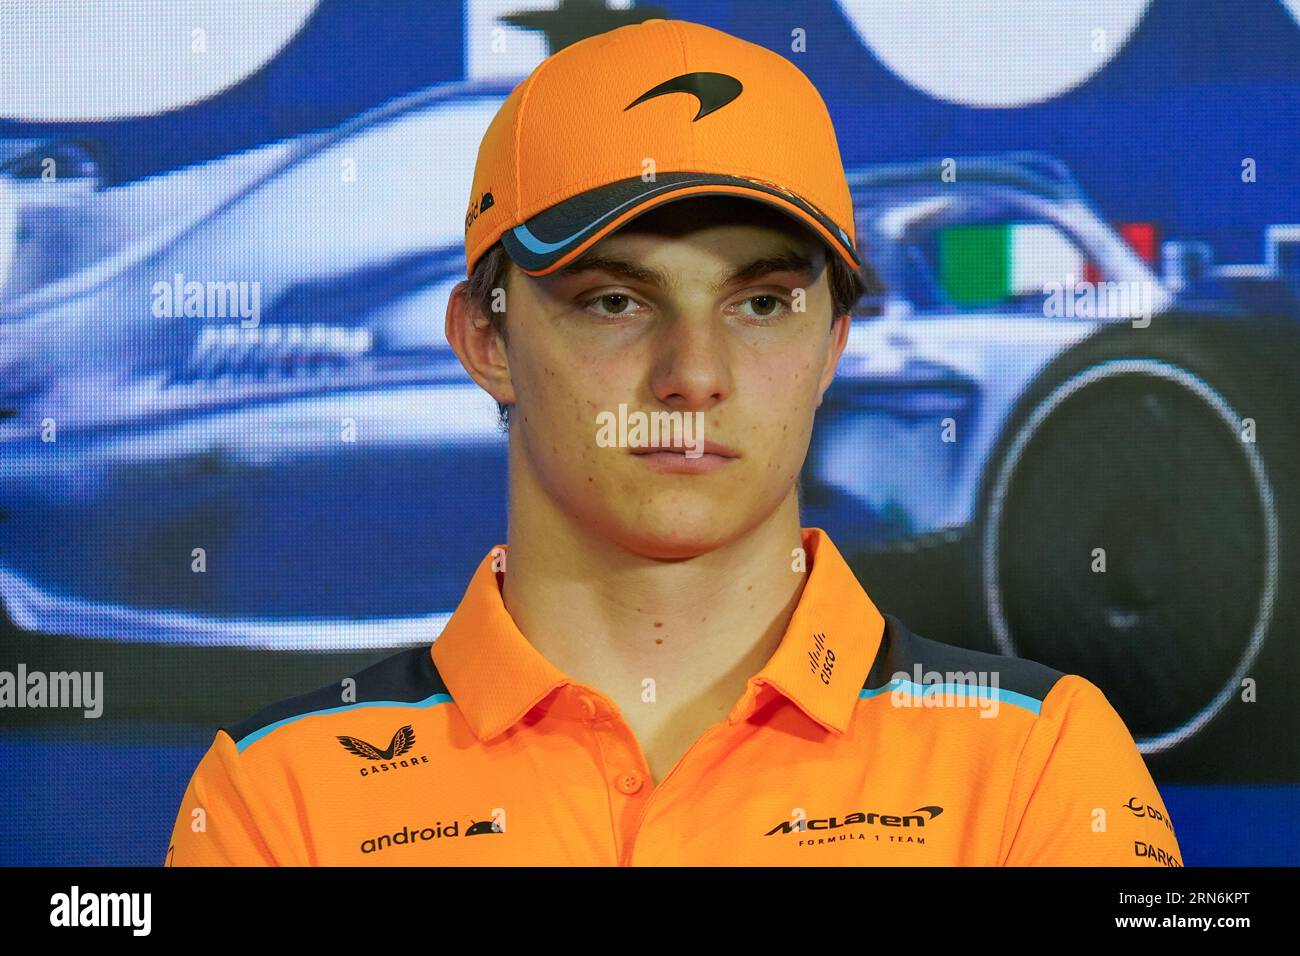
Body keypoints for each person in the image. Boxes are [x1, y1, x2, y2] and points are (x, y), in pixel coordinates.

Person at [165, 17, 1183, 867]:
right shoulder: (278, 794)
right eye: (614, 299)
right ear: (486, 337)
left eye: (763, 301)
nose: (694, 373)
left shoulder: (1033, 761)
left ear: (834, 343)